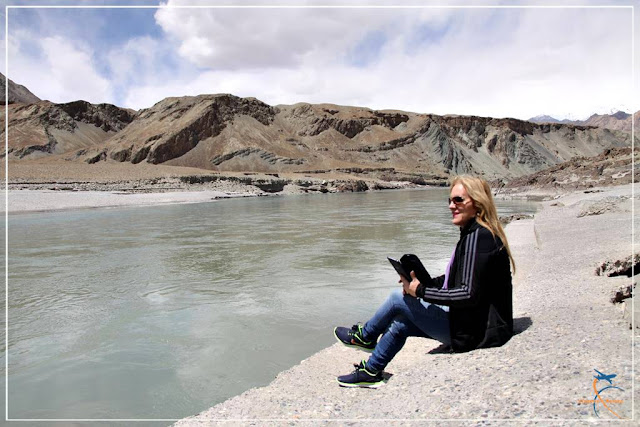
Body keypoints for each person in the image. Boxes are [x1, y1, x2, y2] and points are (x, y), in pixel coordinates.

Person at [334, 175, 516, 388]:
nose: (451, 206)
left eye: (458, 200)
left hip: (477, 333)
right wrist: (421, 283)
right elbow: (454, 280)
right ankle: (371, 371)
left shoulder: (480, 237)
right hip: (475, 326)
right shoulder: (474, 233)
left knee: (396, 299)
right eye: (449, 200)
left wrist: (419, 290)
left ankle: (365, 337)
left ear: (477, 204)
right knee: (400, 322)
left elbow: (467, 293)